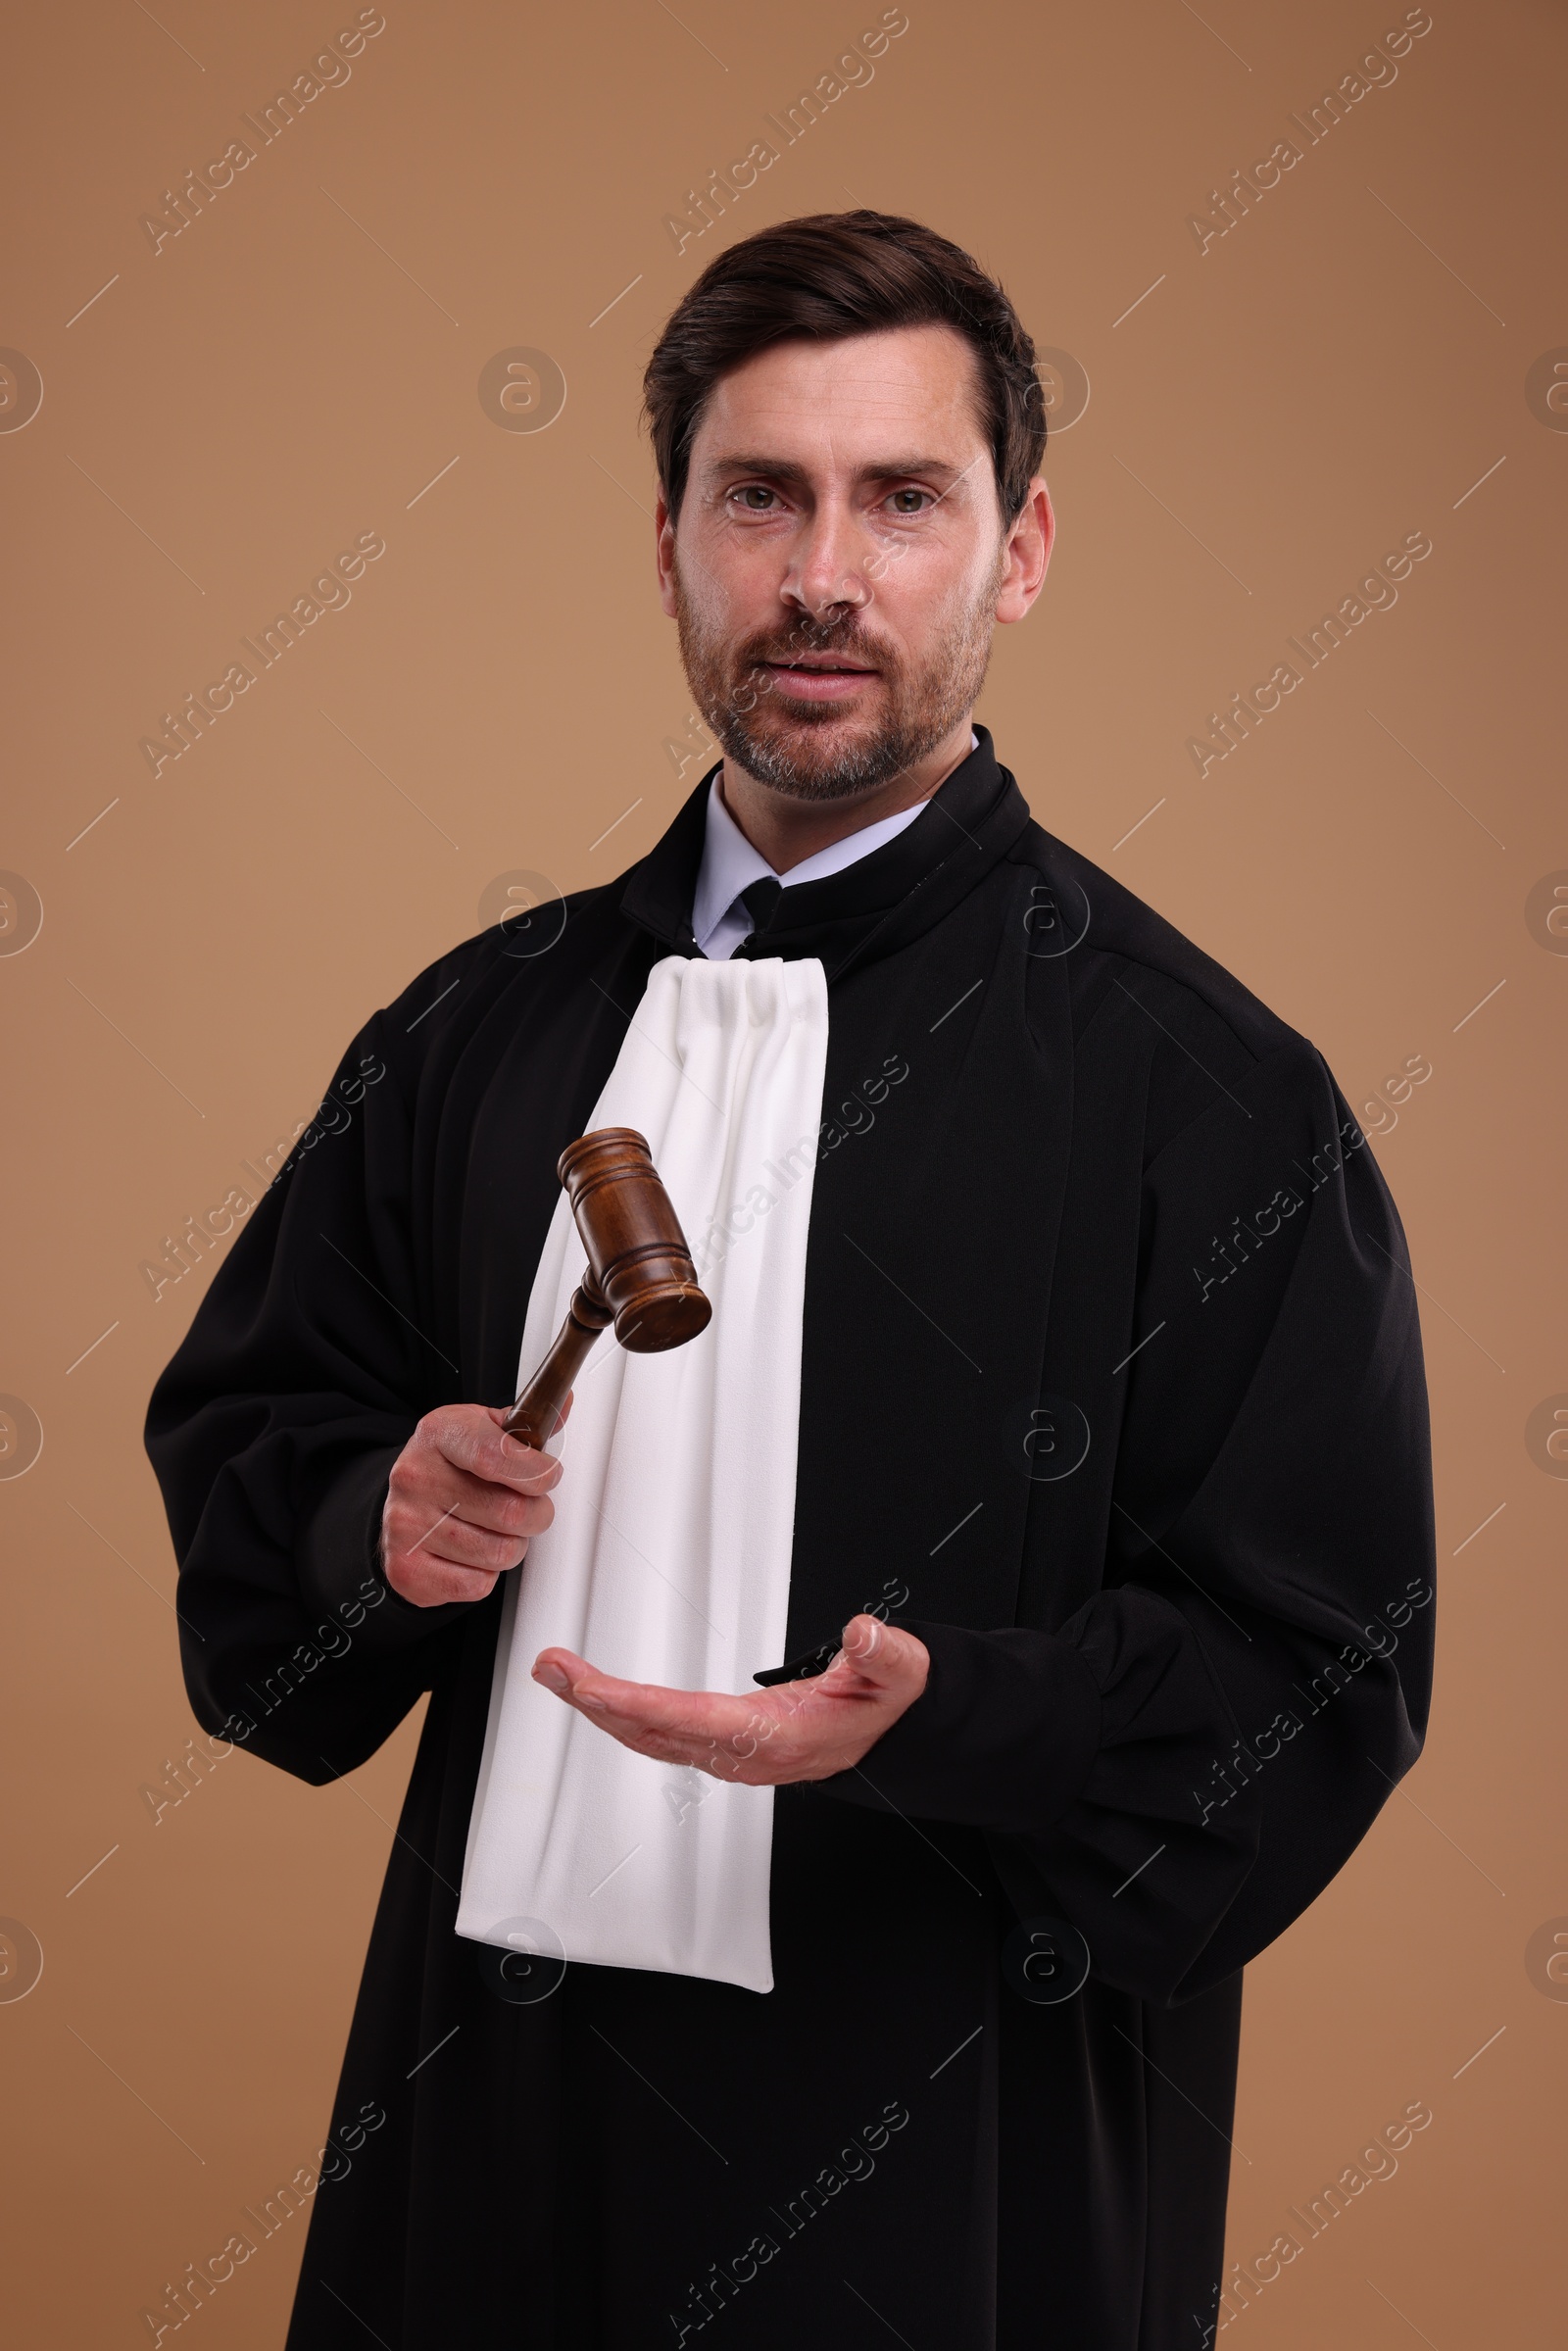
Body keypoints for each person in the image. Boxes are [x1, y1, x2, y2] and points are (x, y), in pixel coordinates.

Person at [144, 211, 1436, 2351]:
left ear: (1015, 550)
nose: (819, 573)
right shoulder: (475, 1032)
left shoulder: (1202, 1098)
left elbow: (1318, 1674)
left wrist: (967, 1714)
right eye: (761, 496)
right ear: (666, 543)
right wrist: (369, 1517)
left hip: (947, 2140)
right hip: (495, 2123)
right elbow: (250, 1453)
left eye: (898, 499)